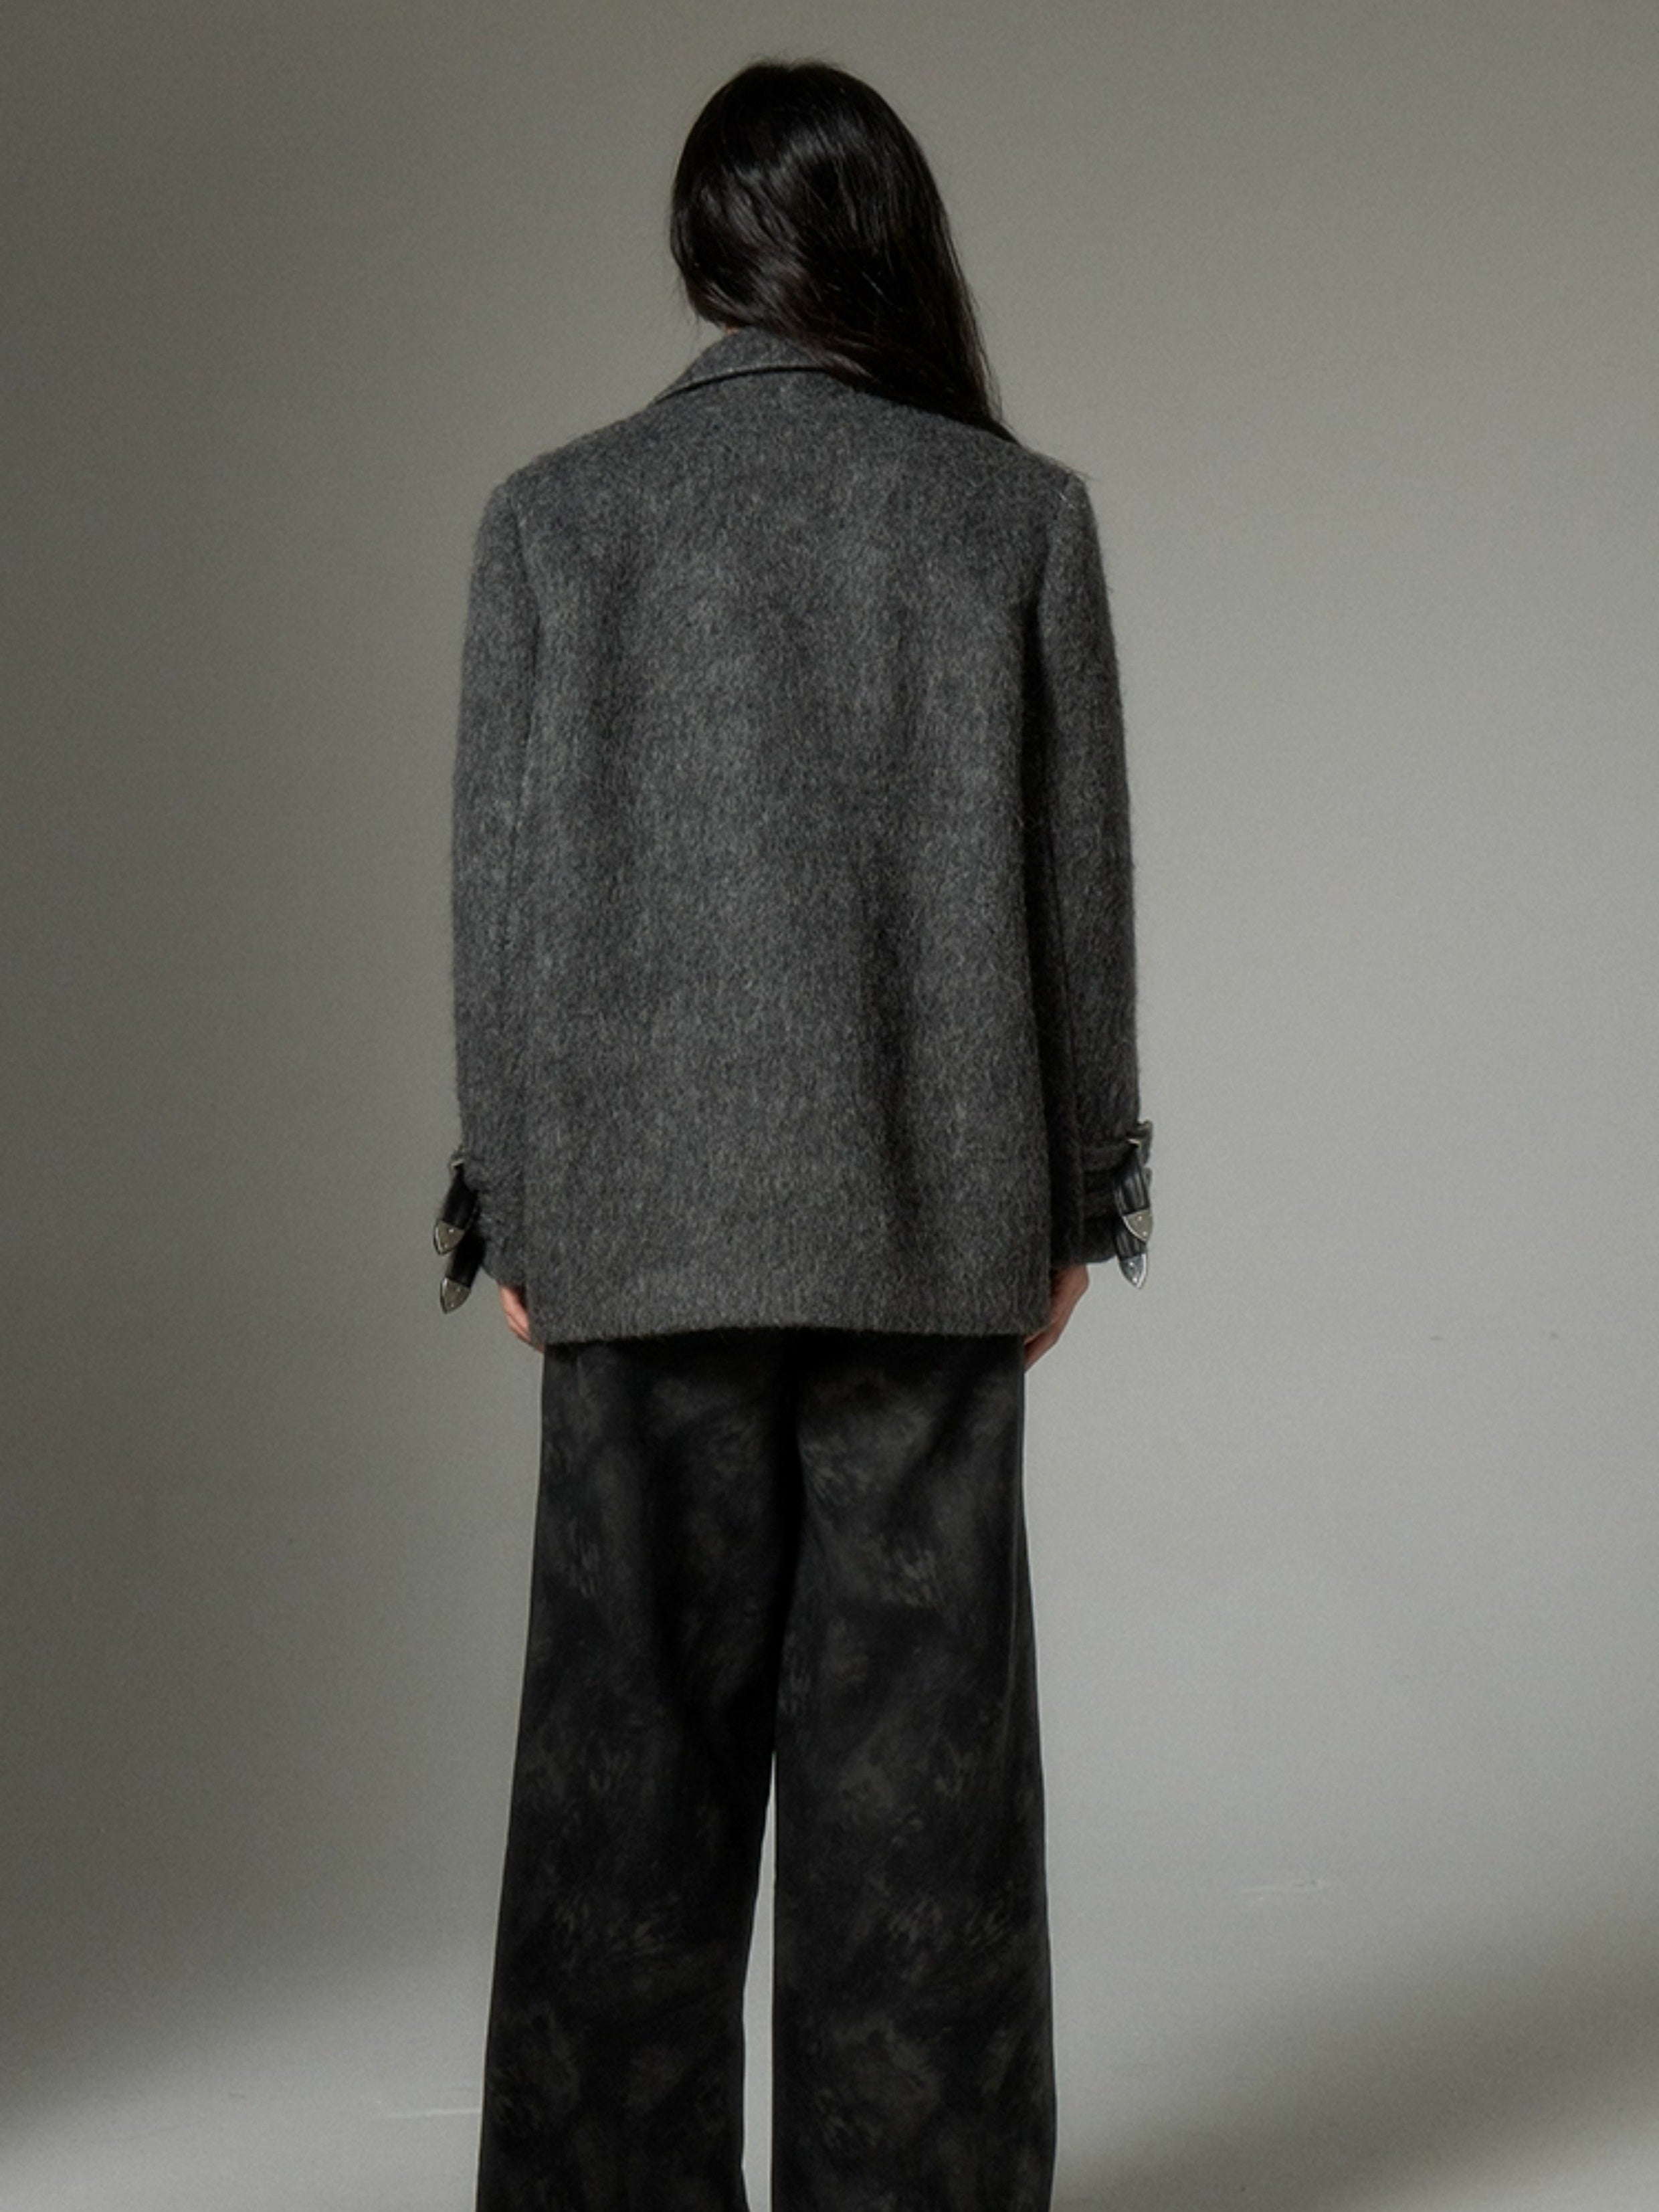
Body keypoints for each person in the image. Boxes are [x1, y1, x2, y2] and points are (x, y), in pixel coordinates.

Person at [444, 55, 1149, 2212]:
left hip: (636, 1232)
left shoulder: (557, 518)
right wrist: (1075, 1193)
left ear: (702, 253)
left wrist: (518, 1201)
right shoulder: (1011, 514)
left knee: (620, 1781)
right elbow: (1081, 896)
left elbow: (497, 894)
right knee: (918, 1794)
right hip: (932, 1222)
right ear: (885, 236)